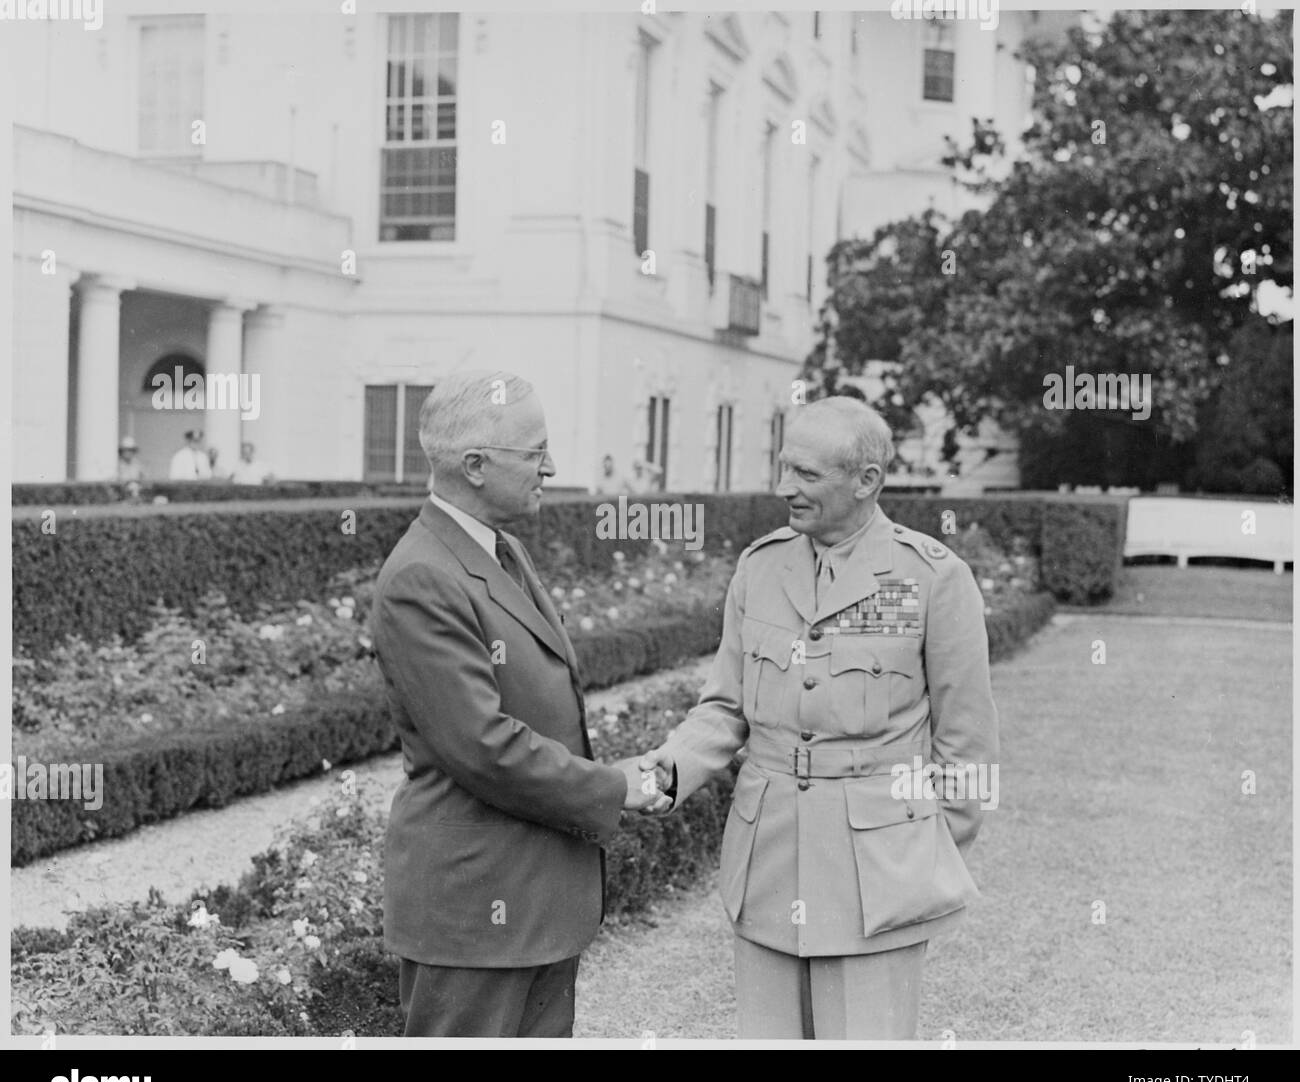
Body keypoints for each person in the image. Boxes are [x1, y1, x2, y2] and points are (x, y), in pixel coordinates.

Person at [640, 397, 998, 1040]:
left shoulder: (931, 580)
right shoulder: (761, 566)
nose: (785, 489)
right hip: (769, 859)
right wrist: (665, 773)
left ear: (866, 481)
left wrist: (926, 854)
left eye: (806, 475)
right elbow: (724, 708)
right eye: (783, 469)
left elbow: (967, 746)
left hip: (878, 875)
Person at [370, 369, 669, 1038]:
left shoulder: (502, 550)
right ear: (474, 466)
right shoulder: (424, 574)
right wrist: (616, 786)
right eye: (535, 453)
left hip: (533, 903)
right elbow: (483, 745)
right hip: (476, 908)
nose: (551, 467)